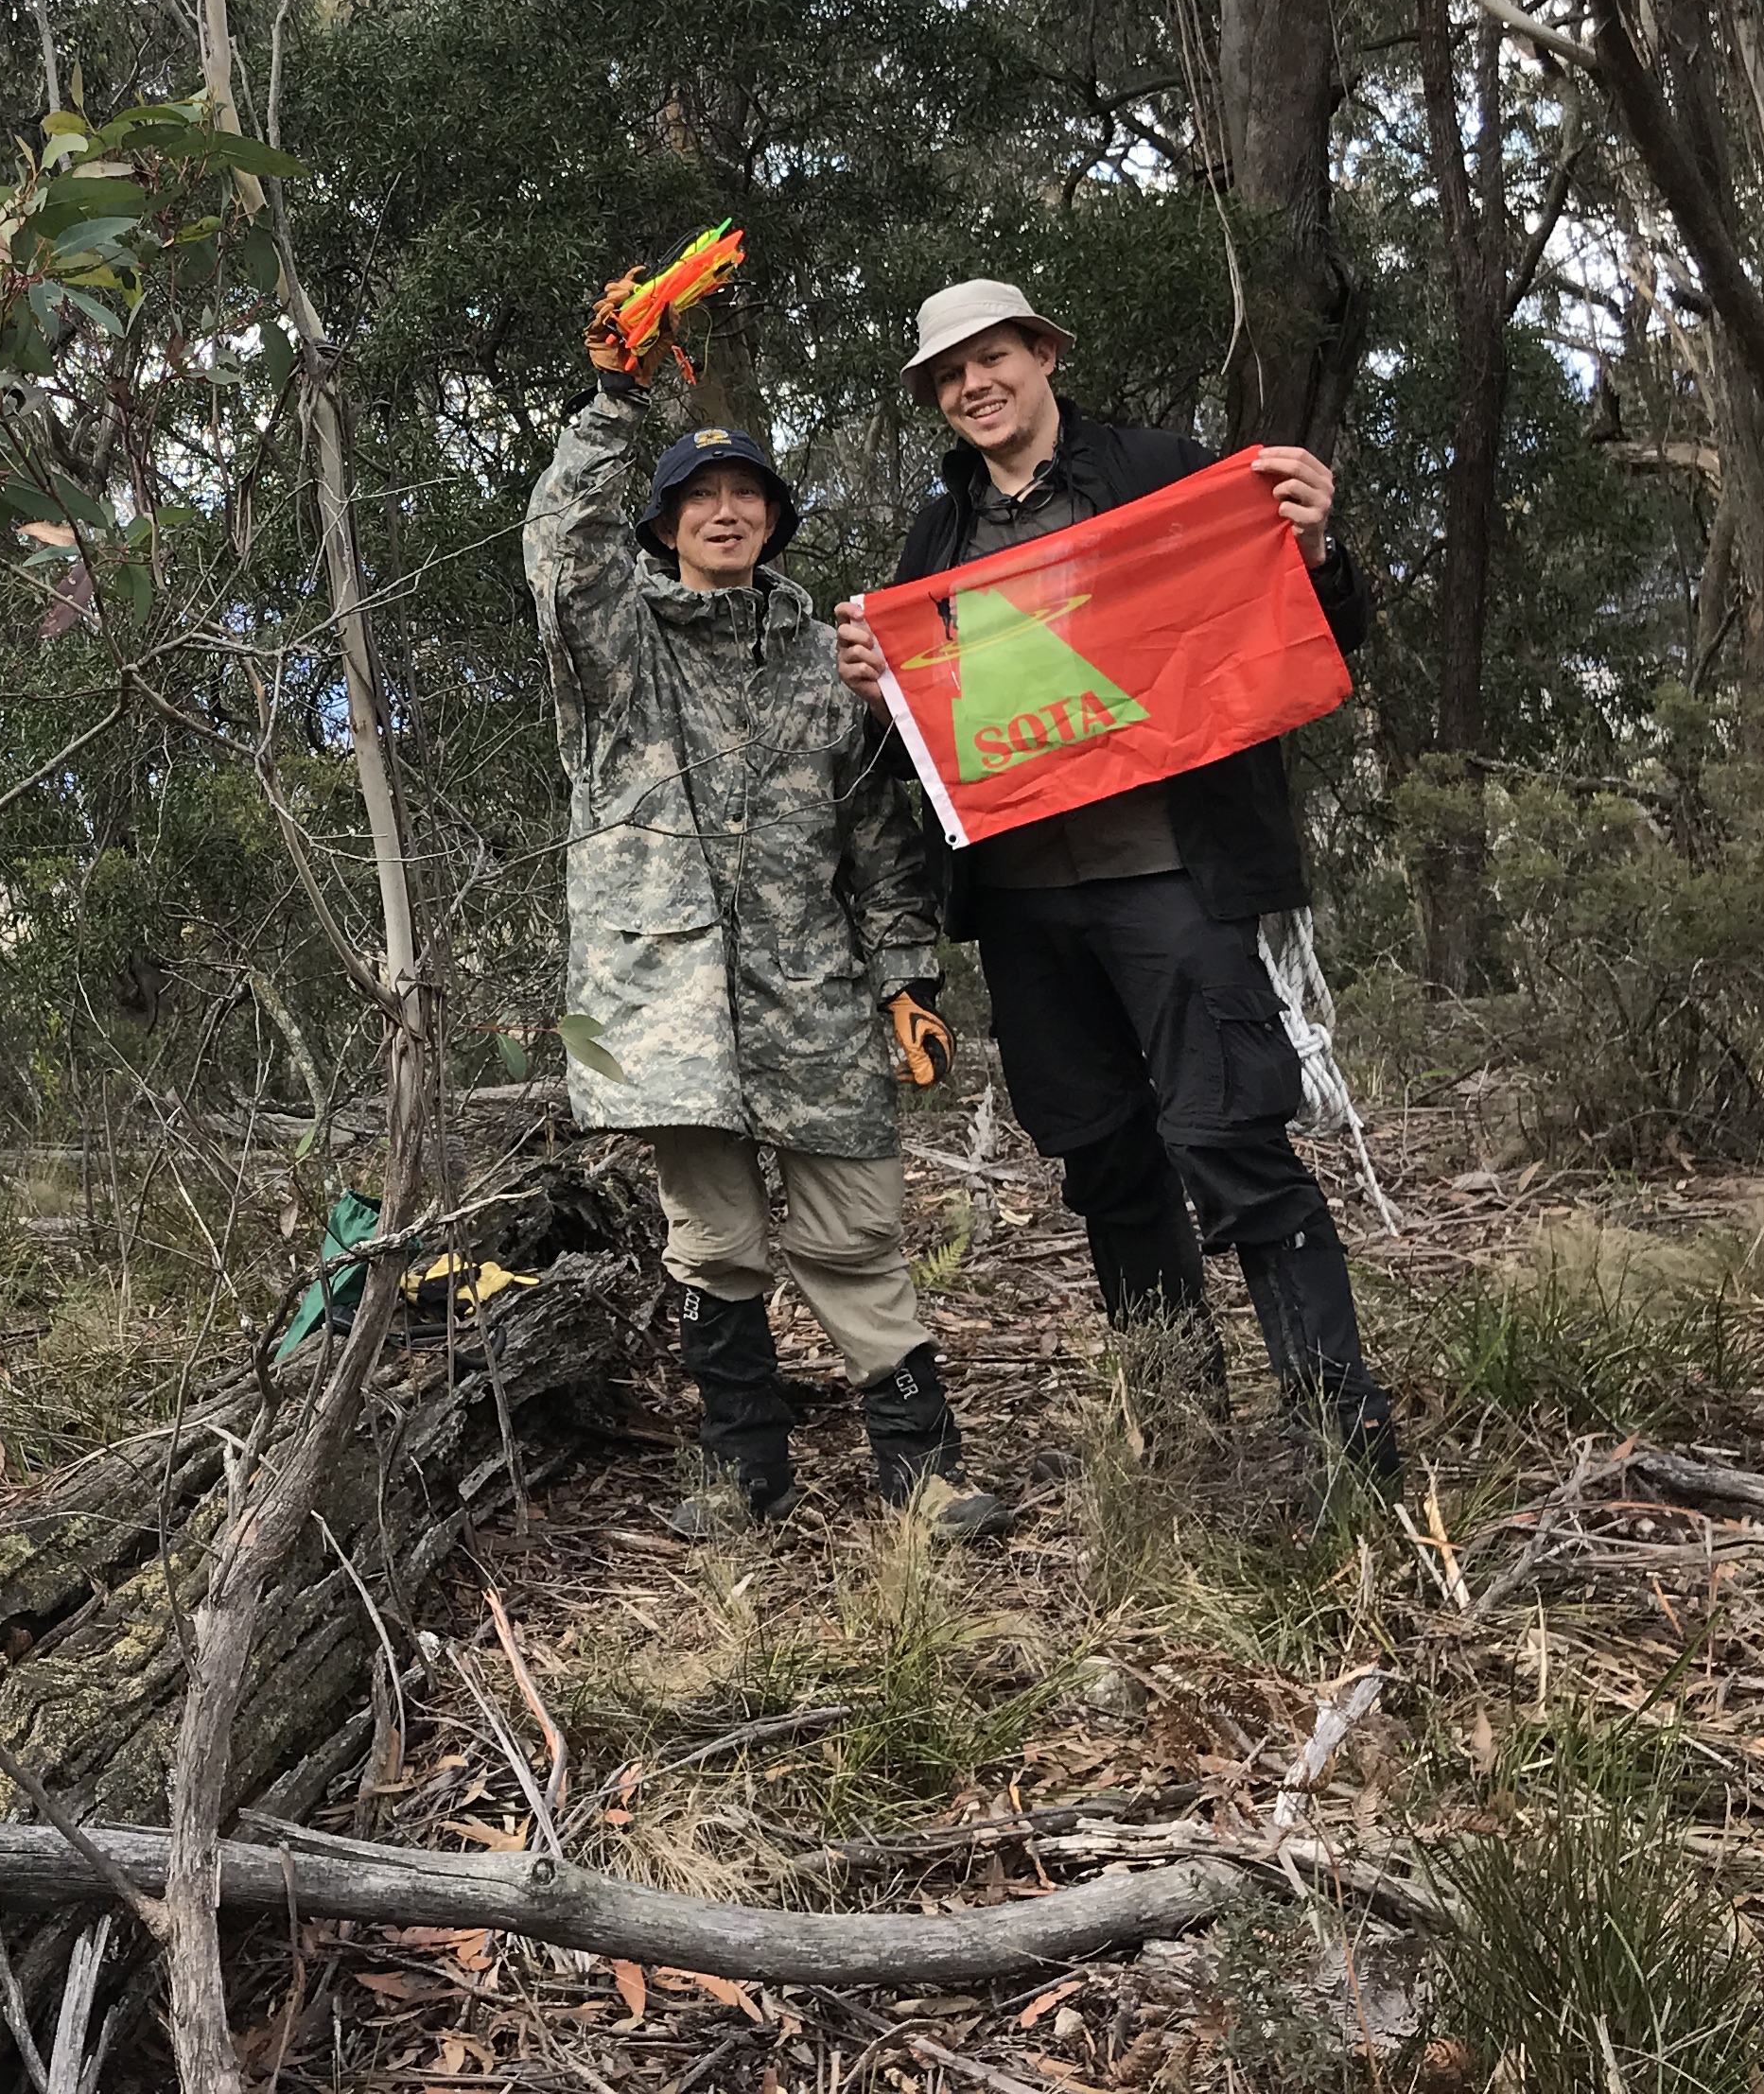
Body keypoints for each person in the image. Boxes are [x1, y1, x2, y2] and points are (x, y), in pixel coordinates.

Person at [830, 278, 1400, 1485]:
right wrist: (879, 694)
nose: (972, 387)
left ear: (1043, 354)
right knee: (1105, 1164)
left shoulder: (1161, 473)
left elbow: (1308, 627)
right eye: (948, 376)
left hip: (1172, 878)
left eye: (991, 359)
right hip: (1027, 905)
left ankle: (1341, 1448)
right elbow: (920, 752)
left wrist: (1314, 544)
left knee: (1231, 1142)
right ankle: (1187, 1441)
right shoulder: (934, 543)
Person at [531, 273, 1004, 1537]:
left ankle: (923, 1472)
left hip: (812, 992)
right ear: (667, 524)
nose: (726, 513)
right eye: (701, 500)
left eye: (746, 497)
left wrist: (907, 975)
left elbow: (876, 836)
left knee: (857, 1229)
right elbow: (562, 552)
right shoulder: (617, 649)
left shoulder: (827, 661)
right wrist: (614, 399)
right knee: (715, 1241)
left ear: (775, 520)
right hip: (668, 1002)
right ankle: (744, 1478)